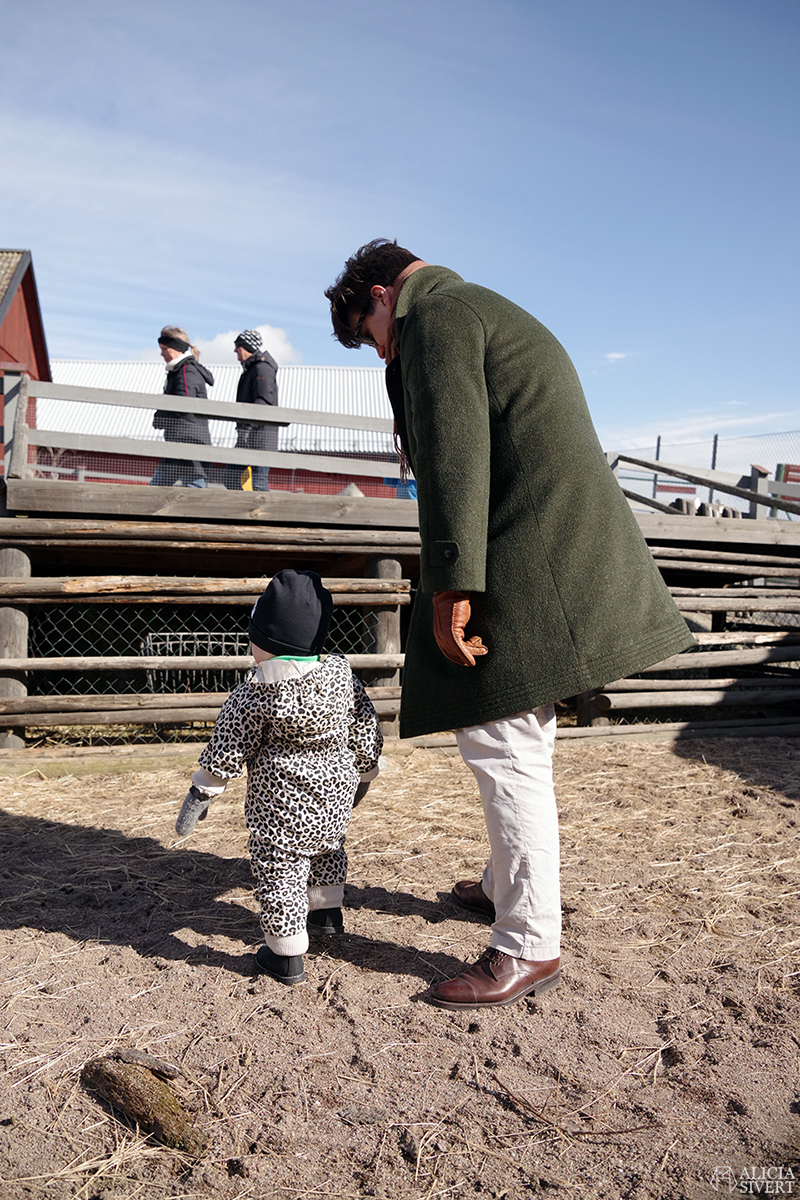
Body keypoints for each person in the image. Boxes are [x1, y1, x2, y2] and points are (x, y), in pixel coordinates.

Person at [325, 239, 695, 1011]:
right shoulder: (476, 307)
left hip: (525, 552)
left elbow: (457, 455)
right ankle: (502, 885)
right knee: (519, 731)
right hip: (545, 545)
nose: (378, 351)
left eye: (370, 335)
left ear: (381, 295)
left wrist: (453, 585)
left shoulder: (437, 320)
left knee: (501, 739)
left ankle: (529, 942)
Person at [174, 569, 383, 985]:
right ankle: (325, 914)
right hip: (335, 798)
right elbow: (365, 726)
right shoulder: (342, 676)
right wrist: (367, 770)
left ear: (267, 641)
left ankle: (284, 954)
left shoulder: (254, 694)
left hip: (282, 811)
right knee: (327, 850)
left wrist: (201, 794)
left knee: (280, 872)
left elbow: (226, 749)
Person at [150, 326, 213, 488]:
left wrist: (162, 416)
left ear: (177, 349)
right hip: (179, 438)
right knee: (159, 486)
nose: (161, 353)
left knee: (193, 484)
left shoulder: (187, 371)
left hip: (188, 440)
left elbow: (184, 403)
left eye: (165, 349)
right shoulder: (179, 370)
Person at [223, 329, 280, 492]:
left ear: (246, 346)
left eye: (237, 346)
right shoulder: (251, 369)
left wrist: (248, 425)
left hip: (260, 436)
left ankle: (261, 516)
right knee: (231, 476)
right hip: (248, 435)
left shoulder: (262, 368)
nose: (235, 350)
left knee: (258, 482)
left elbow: (264, 400)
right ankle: (244, 510)